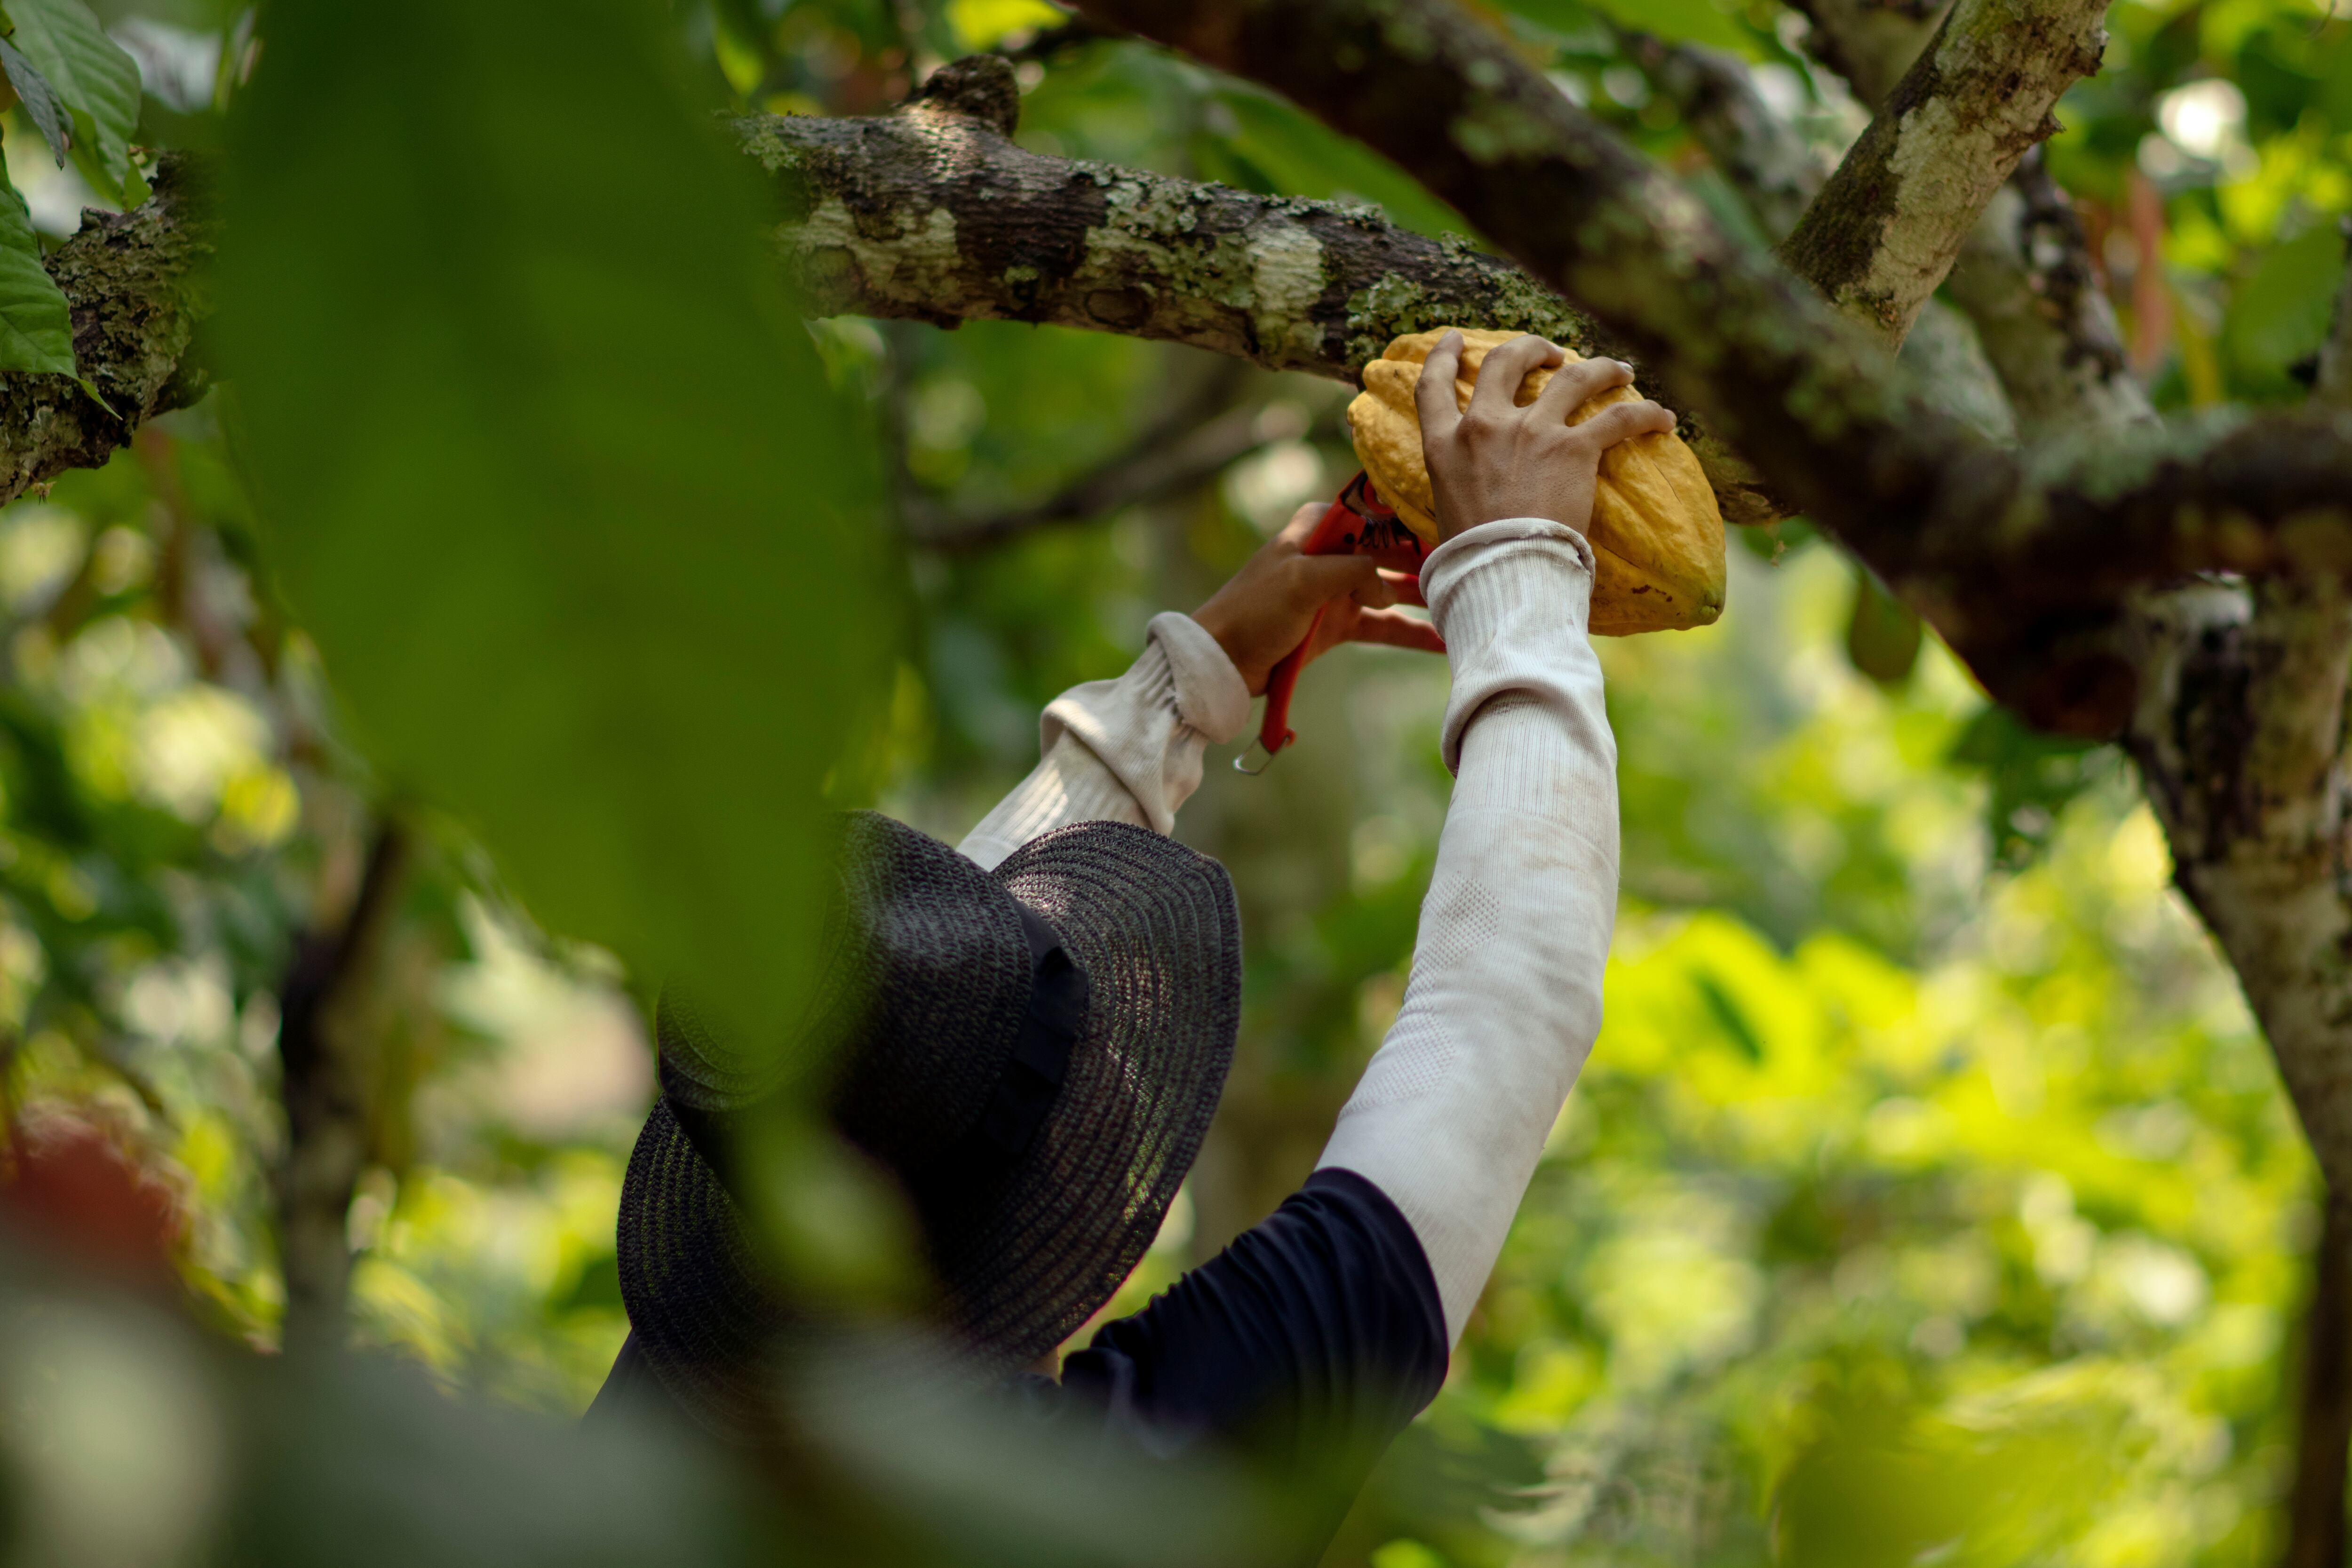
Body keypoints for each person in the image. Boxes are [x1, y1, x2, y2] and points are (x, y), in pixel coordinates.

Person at [590, 331, 1676, 1554]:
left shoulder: (662, 1426)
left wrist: (1182, 688)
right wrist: (1518, 570)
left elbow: (917, 1004)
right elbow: (1501, 1017)